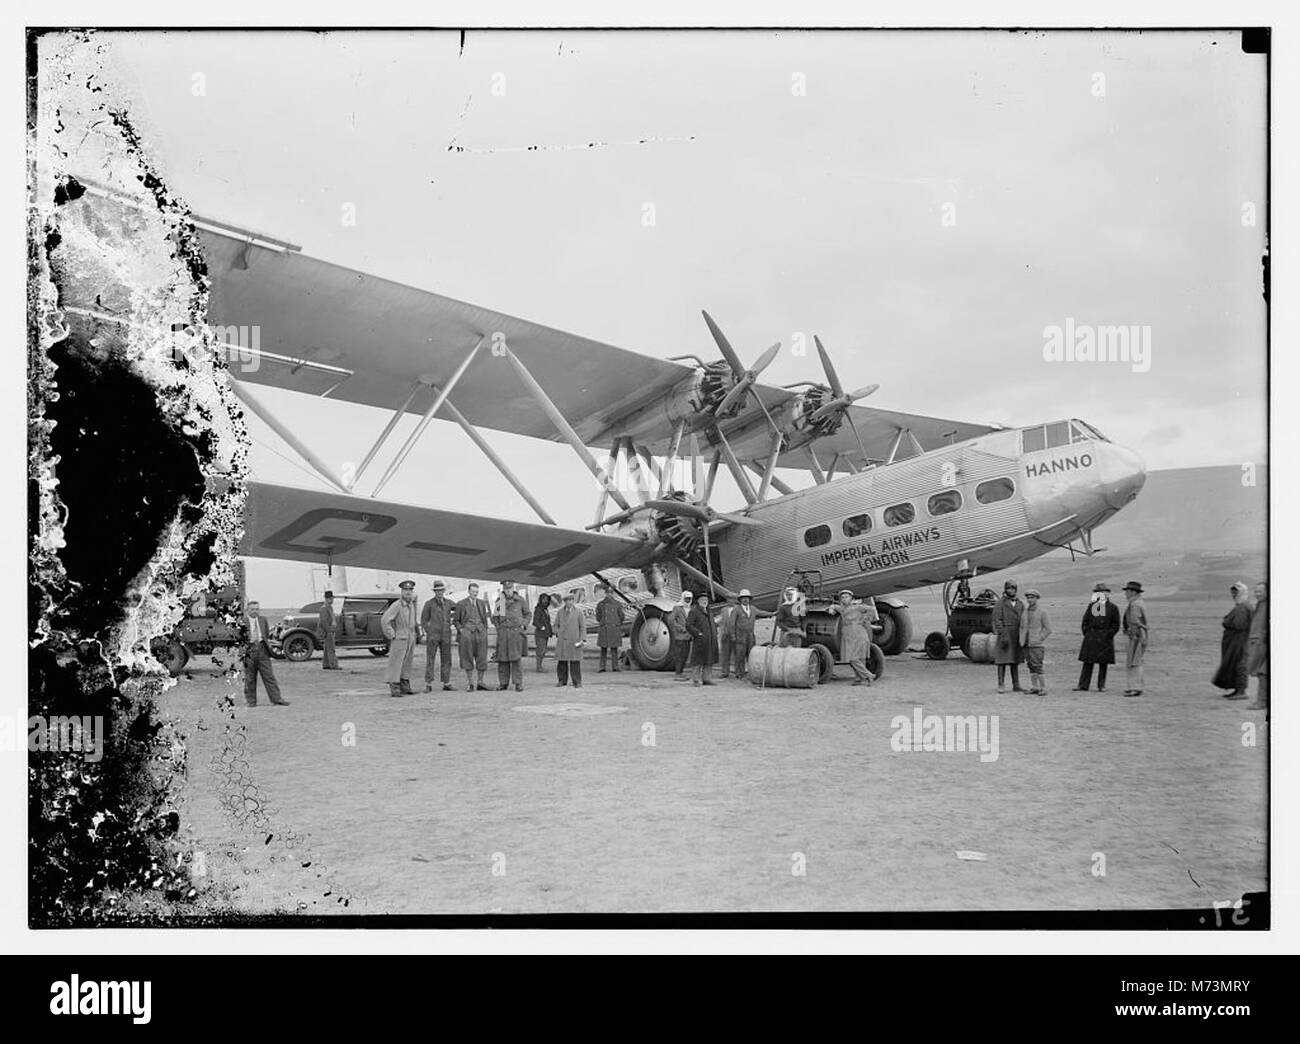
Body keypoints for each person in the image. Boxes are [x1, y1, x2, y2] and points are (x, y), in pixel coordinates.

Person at [242, 599, 289, 707]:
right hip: (249, 651)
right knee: (250, 678)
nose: (255, 611)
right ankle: (251, 701)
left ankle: (276, 699)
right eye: (252, 609)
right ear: (247, 610)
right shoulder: (242, 622)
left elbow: (266, 634)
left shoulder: (263, 620)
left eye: (257, 609)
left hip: (263, 649)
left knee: (269, 676)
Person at [1075, 582, 1120, 692]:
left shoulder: (1113, 608)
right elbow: (1085, 621)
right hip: (1092, 637)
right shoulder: (1092, 606)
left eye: (1103, 592)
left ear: (1107, 593)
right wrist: (1087, 633)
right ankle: (1083, 685)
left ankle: (1101, 685)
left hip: (1105, 638)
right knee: (1088, 662)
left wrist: (1109, 634)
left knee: (1103, 663)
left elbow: (1116, 624)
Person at [1213, 582, 1253, 699]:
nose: (1234, 593)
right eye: (1233, 591)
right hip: (1236, 640)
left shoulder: (1243, 607)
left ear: (1242, 592)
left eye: (1236, 591)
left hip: (1240, 640)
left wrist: (1227, 621)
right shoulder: (1241, 605)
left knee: (1240, 664)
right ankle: (1237, 690)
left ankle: (1241, 692)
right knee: (1235, 663)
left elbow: (1238, 624)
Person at [381, 580, 419, 698]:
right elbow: (385, 620)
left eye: (410, 590)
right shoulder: (397, 605)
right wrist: (391, 634)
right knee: (396, 663)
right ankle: (394, 686)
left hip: (410, 638)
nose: (408, 593)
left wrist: (416, 634)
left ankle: (405, 684)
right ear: (402, 592)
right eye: (406, 590)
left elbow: (413, 621)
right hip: (400, 637)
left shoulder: (411, 604)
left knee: (407, 662)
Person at [830, 589, 876, 685]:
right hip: (848, 634)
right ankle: (859, 678)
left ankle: (867, 675)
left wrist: (865, 620)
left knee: (854, 658)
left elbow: (871, 609)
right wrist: (831, 608)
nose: (844, 599)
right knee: (858, 657)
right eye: (842, 597)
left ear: (851, 598)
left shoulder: (857, 607)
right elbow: (834, 606)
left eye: (846, 597)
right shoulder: (842, 608)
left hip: (858, 633)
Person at [455, 582, 491, 691]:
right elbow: (456, 620)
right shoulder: (461, 604)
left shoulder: (481, 603)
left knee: (482, 657)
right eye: (473, 592)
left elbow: (484, 618)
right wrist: (461, 630)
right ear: (468, 591)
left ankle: (480, 682)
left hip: (480, 634)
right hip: (467, 635)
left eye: (476, 592)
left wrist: (484, 629)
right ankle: (470, 683)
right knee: (467, 657)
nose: (475, 594)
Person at [420, 579, 455, 692]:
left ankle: (446, 682)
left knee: (447, 659)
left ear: (444, 591)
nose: (439, 592)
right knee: (430, 659)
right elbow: (424, 620)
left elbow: (460, 609)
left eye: (441, 590)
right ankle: (428, 683)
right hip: (433, 636)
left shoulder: (449, 603)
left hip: (446, 635)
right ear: (434, 592)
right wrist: (429, 631)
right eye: (437, 591)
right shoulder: (429, 604)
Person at [493, 580, 528, 692]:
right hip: (503, 634)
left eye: (510, 589)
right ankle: (503, 683)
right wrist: (499, 628)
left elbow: (528, 614)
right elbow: (495, 617)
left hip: (515, 634)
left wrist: (524, 625)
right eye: (506, 589)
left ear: (513, 589)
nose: (508, 591)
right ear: (503, 589)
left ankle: (518, 683)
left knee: (516, 659)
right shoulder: (500, 602)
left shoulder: (520, 600)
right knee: (502, 659)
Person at [991, 579, 1026, 693]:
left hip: (1016, 635)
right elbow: (997, 619)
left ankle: (1016, 684)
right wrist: (1002, 633)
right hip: (1005, 634)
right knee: (1002, 660)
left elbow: (1024, 619)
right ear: (1005, 590)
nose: (1011, 590)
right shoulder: (1000, 603)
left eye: (1013, 588)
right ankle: (1001, 685)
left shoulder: (1020, 604)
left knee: (1014, 660)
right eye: (1008, 588)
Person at [1018, 588, 1052, 695]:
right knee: (1030, 665)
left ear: (1037, 598)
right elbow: (1022, 627)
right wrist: (1021, 639)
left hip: (1036, 644)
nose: (1029, 600)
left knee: (1038, 666)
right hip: (1026, 643)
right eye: (1028, 598)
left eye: (1032, 597)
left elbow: (1048, 629)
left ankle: (1043, 688)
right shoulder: (1025, 612)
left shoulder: (1042, 612)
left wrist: (1039, 638)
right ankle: (1034, 687)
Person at [1120, 581, 1149, 698]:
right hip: (1139, 634)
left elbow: (1135, 622)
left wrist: (1131, 634)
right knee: (1136, 661)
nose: (1125, 594)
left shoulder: (1135, 605)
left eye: (1127, 591)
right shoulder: (1138, 603)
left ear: (1133, 592)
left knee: (1134, 662)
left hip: (1135, 635)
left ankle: (1135, 688)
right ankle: (1135, 686)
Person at [687, 590, 720, 686]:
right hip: (700, 640)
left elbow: (712, 623)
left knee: (709, 660)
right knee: (698, 660)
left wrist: (715, 632)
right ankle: (696, 680)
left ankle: (707, 679)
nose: (705, 601)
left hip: (710, 640)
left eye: (706, 599)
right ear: (698, 601)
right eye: (702, 599)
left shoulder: (709, 610)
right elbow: (688, 625)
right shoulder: (694, 611)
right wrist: (698, 633)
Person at [554, 591, 585, 689]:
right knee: (562, 662)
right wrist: (557, 632)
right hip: (562, 640)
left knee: (575, 662)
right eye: (567, 600)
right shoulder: (560, 612)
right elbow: (555, 625)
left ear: (573, 601)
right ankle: (562, 680)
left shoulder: (579, 612)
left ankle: (577, 682)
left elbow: (582, 627)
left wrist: (582, 639)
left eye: (571, 600)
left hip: (574, 640)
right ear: (564, 602)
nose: (569, 602)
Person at [1246, 581, 1268, 711]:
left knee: (1263, 673)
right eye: (1256, 591)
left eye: (1260, 591)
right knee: (1261, 672)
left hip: (1263, 644)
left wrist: (1261, 640)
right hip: (1257, 642)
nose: (1257, 594)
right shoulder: (1260, 605)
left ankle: (1261, 702)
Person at [728, 589, 759, 680]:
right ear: (740, 600)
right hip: (740, 636)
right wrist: (733, 636)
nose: (745, 600)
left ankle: (750, 672)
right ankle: (739, 673)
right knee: (739, 655)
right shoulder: (736, 609)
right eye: (743, 598)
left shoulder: (753, 609)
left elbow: (762, 613)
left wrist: (773, 613)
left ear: (749, 599)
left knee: (751, 655)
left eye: (747, 598)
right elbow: (732, 624)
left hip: (750, 636)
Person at [595, 583, 624, 672]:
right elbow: (598, 617)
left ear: (613, 593)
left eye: (611, 592)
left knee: (614, 649)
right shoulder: (601, 604)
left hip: (614, 628)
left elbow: (621, 616)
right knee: (603, 649)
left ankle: (615, 667)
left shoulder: (617, 604)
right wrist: (604, 623)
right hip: (604, 628)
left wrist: (616, 624)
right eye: (607, 592)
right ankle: (602, 667)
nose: (609, 594)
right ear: (605, 593)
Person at [668, 591, 693, 681]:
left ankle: (681, 672)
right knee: (679, 655)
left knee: (685, 655)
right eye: (686, 598)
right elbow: (671, 620)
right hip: (680, 636)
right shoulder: (678, 608)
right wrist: (680, 628)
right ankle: (678, 673)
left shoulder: (690, 608)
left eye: (689, 598)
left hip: (688, 636)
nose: (688, 600)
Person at [318, 590, 341, 670]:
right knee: (331, 649)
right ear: (326, 599)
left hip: (330, 630)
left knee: (327, 648)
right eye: (330, 599)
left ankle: (326, 664)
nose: (332, 600)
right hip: (328, 631)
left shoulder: (329, 607)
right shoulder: (324, 609)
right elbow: (323, 622)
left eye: (332, 598)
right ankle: (333, 665)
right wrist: (329, 630)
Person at [532, 593, 554, 672]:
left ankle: (540, 666)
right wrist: (542, 627)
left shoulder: (545, 609)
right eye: (543, 599)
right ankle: (539, 667)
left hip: (545, 633)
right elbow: (535, 621)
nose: (545, 601)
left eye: (547, 599)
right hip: (540, 633)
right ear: (540, 600)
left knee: (543, 650)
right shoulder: (538, 609)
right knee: (540, 650)